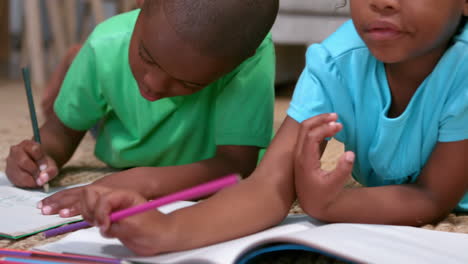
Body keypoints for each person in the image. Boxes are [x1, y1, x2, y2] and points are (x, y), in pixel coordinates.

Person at [77, 0, 467, 256]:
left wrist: (330, 204)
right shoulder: (334, 62)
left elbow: (433, 197)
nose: (382, 2)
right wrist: (168, 230)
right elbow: (268, 186)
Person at [5, 0, 278, 217]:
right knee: (101, 73)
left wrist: (143, 182)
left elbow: (236, 165)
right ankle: (79, 64)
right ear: (140, 3)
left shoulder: (250, 62)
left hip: (191, 157)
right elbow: (60, 133)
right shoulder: (105, 45)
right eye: (146, 56)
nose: (153, 85)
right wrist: (39, 157)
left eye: (186, 82)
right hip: (120, 132)